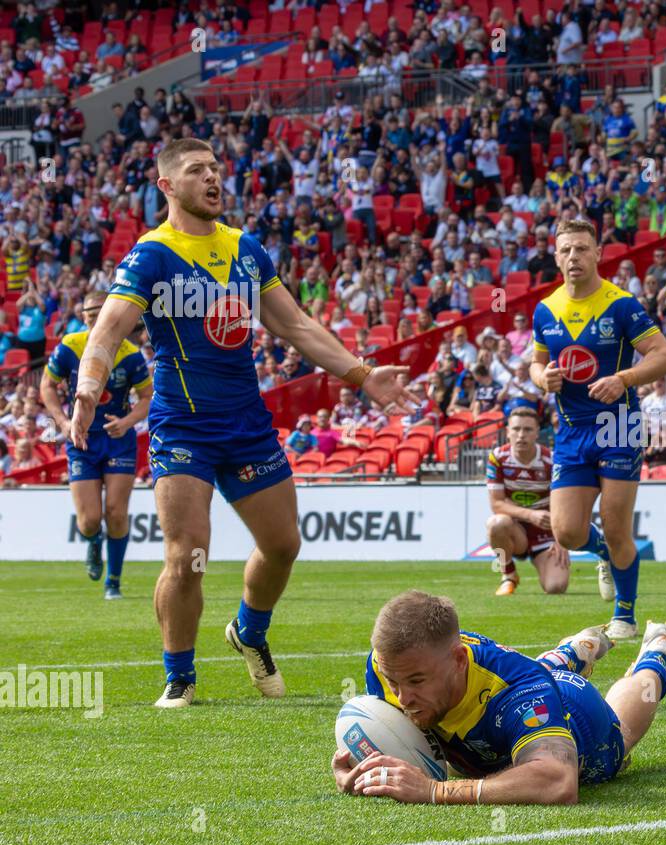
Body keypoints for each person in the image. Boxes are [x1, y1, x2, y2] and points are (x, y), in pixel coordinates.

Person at [71, 138, 414, 708]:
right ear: (167, 187)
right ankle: (180, 677)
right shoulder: (151, 255)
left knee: (282, 546)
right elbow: (107, 333)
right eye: (196, 171)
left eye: (215, 169)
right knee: (187, 555)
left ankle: (249, 632)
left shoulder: (245, 250)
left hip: (246, 425)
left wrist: (362, 374)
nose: (212, 179)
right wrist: (88, 389)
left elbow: (297, 327)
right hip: (182, 426)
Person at [331, 591, 666, 804]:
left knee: (622, 733)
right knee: (530, 677)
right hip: (512, 695)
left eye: (416, 681)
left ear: (458, 661)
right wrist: (362, 773)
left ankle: (655, 655)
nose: (401, 697)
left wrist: (434, 792)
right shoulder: (386, 664)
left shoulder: (519, 691)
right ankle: (572, 650)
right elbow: (399, 739)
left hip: (578, 715)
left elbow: (558, 782)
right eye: (393, 681)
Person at [530, 218, 666, 640]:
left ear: (597, 254)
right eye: (566, 250)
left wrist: (625, 379)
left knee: (616, 526)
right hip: (572, 430)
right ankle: (604, 556)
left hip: (619, 425)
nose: (573, 257)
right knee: (567, 532)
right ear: (556, 257)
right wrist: (543, 379)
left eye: (581, 249)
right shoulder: (546, 309)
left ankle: (625, 616)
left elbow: (663, 356)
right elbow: (537, 362)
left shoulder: (622, 304)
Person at [41, 291, 153, 598]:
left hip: (117, 439)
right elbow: (47, 385)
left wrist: (128, 421)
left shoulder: (129, 353)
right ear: (82, 315)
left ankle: (113, 581)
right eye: (88, 313)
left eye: (99, 312)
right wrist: (62, 422)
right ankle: (93, 544)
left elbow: (147, 397)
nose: (93, 317)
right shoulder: (70, 346)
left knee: (116, 513)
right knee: (90, 521)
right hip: (82, 439)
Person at [485, 407, 571, 597]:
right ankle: (508, 575)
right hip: (515, 531)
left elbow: (565, 503)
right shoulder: (497, 457)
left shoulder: (553, 460)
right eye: (516, 429)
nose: (521, 435)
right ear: (507, 431)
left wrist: (562, 540)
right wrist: (531, 515)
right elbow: (497, 504)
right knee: (496, 523)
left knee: (556, 587)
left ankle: (543, 562)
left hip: (547, 534)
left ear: (537, 433)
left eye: (528, 429)